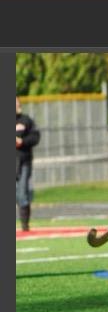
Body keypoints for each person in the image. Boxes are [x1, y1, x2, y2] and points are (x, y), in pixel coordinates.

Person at [15, 97, 41, 232]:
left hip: (23, 161)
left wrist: (22, 142)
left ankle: (25, 226)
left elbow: (35, 137)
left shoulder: (26, 120)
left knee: (22, 193)